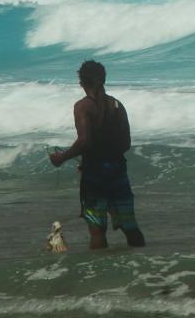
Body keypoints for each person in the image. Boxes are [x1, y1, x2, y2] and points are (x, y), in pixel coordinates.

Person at [49, 60, 145, 249]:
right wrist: (106, 157)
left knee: (97, 229)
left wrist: (62, 158)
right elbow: (126, 144)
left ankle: (98, 273)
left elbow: (85, 141)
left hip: (94, 176)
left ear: (82, 83)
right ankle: (143, 267)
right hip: (118, 172)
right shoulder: (117, 105)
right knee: (130, 226)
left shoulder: (83, 106)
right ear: (104, 79)